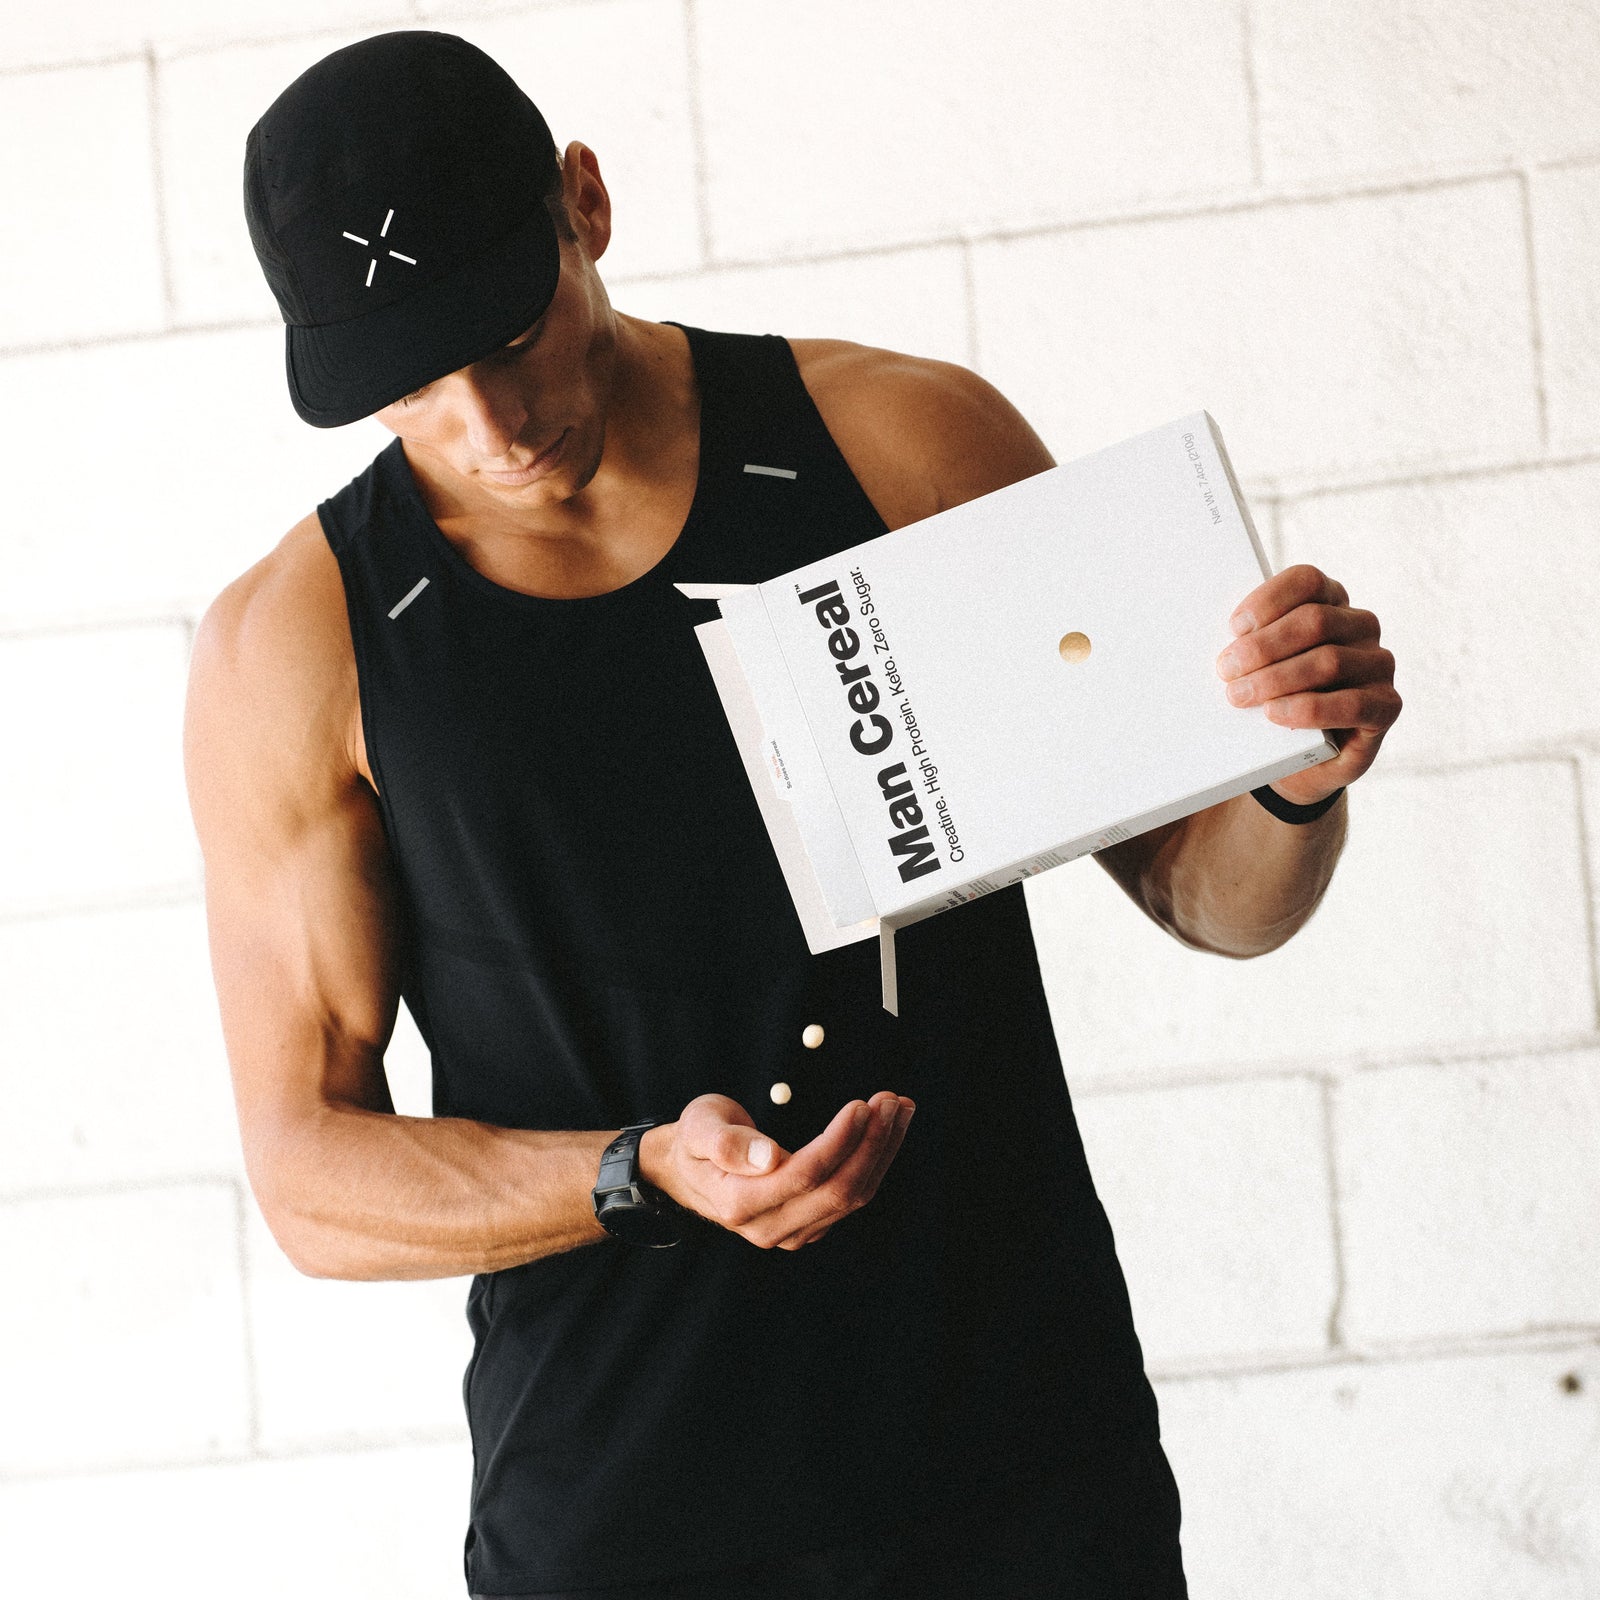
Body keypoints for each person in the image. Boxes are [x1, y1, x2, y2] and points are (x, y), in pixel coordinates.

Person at [183, 29, 1400, 1600]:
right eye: (410, 381)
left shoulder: (905, 446)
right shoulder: (295, 644)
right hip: (623, 1520)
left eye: (506, 325)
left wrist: (1294, 775)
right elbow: (309, 1180)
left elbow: (1212, 901)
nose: (489, 420)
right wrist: (634, 1171)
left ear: (587, 204)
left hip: (1017, 1466)